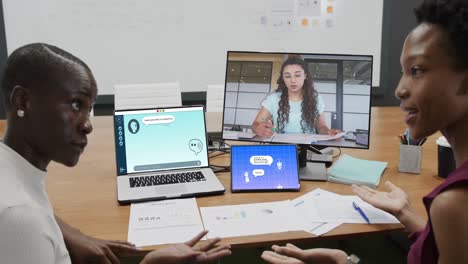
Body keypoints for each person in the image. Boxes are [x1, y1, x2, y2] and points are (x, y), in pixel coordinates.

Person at [261, 0, 468, 263]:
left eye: (417, 70)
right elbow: (435, 250)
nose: (400, 89)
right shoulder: (453, 206)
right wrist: (404, 213)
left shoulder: (454, 205)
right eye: (403, 72)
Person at [0, 43, 231, 263]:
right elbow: (23, 217)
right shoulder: (21, 219)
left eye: (88, 109)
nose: (88, 125)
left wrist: (71, 233)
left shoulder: (13, 173)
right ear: (24, 101)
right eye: (75, 104)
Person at [251, 56, 341, 137]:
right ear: (283, 78)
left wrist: (328, 132)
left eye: (297, 75)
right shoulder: (273, 99)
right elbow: (256, 124)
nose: (293, 80)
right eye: (287, 76)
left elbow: (321, 127)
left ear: (305, 76)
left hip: (307, 147)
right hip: (282, 147)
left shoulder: (316, 98)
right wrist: (257, 128)